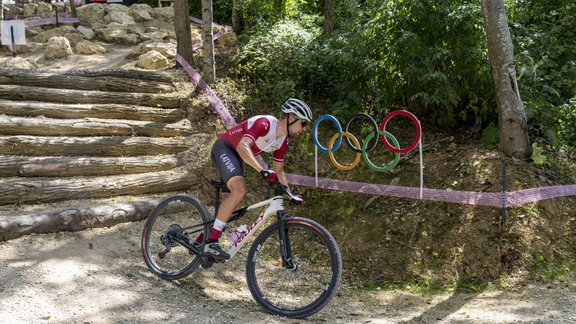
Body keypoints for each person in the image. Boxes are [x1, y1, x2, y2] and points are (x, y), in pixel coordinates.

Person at [200, 98, 312, 260]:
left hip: (237, 159)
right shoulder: (265, 123)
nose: (304, 129)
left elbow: (279, 171)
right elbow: (242, 146)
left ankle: (199, 242)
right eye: (303, 123)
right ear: (292, 118)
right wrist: (262, 170)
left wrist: (290, 194)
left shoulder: (283, 141)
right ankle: (211, 242)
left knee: (225, 211)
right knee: (239, 189)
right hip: (225, 148)